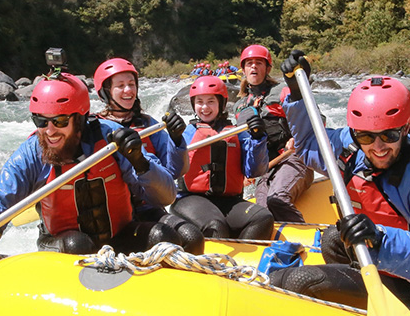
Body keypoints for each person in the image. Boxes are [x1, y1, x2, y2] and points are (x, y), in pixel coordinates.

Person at [272, 54, 410, 316]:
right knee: (334, 237)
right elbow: (311, 145)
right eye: (367, 137)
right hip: (385, 268)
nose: (378, 147)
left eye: (390, 136)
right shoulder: (354, 144)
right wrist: (299, 95)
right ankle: (353, 306)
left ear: (405, 129)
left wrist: (381, 239)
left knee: (295, 280)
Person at [0, 72, 181, 256]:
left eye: (60, 121)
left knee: (163, 235)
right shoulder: (32, 153)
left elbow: (166, 197)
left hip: (118, 236)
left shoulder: (111, 139)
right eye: (41, 120)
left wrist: (141, 162)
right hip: (62, 244)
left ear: (80, 119)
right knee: (78, 244)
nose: (49, 131)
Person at [93, 58, 205, 253]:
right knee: (163, 238)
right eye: (120, 86)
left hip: (148, 207)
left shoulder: (148, 125)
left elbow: (174, 172)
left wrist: (177, 141)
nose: (128, 90)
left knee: (192, 237)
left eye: (131, 84)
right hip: (114, 217)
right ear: (105, 92)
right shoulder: (95, 129)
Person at [171, 75, 275, 240]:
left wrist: (258, 139)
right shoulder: (186, 133)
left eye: (211, 101)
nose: (205, 107)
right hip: (191, 199)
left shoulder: (237, 133)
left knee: (263, 218)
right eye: (199, 102)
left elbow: (255, 170)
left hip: (229, 201)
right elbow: (172, 171)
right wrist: (175, 140)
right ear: (193, 104)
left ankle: (242, 262)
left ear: (221, 103)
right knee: (216, 226)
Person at [231, 44, 312, 223]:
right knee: (262, 215)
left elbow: (316, 119)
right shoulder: (239, 106)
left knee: (277, 198)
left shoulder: (283, 92)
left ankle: (305, 241)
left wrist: (296, 137)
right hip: (266, 169)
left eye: (259, 63)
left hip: (294, 158)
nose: (254, 67)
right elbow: (242, 145)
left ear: (267, 68)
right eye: (249, 63)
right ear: (243, 69)